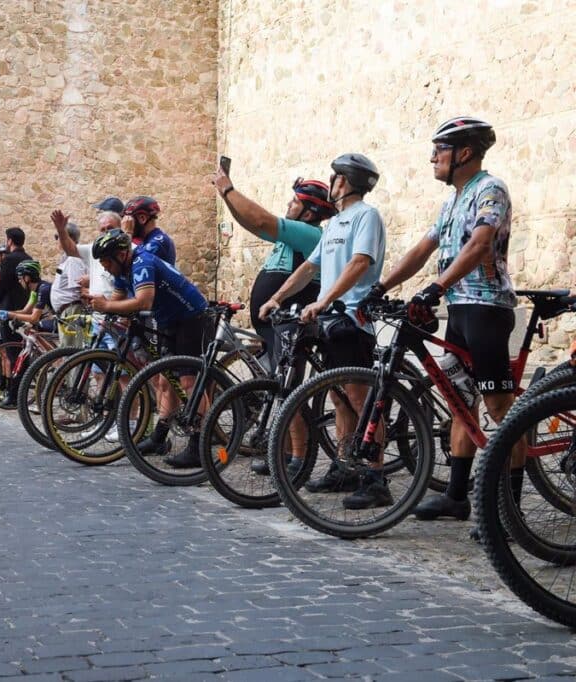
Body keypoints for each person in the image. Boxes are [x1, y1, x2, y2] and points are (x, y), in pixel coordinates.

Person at [362, 117, 518, 524]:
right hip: (459, 310)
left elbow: (481, 243)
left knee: (501, 406)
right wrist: (382, 285)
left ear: (464, 153)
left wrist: (434, 287)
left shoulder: (490, 189)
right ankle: (456, 497)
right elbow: (422, 248)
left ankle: (512, 510)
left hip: (486, 307)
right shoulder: (451, 200)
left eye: (440, 149)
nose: (433, 157)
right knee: (458, 400)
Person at [258, 152, 387, 509]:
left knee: (359, 399)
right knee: (339, 398)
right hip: (330, 319)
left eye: (334, 179)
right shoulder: (334, 225)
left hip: (351, 318)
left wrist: (324, 300)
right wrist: (277, 297)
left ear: (343, 182)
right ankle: (346, 466)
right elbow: (309, 268)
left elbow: (360, 263)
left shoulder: (366, 216)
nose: (331, 184)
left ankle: (376, 477)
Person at [89, 228, 213, 468]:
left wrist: (107, 306)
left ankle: (200, 446)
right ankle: (159, 438)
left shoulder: (141, 263)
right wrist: (106, 310)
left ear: (121, 254)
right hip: (169, 320)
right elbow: (117, 295)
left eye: (105, 260)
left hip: (192, 318)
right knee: (166, 381)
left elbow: (144, 301)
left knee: (188, 382)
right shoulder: (121, 267)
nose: (103, 265)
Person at [213, 170, 337, 357]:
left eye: (295, 201)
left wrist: (229, 190)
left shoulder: (310, 233)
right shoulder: (292, 234)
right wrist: (226, 198)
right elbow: (252, 225)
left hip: (287, 319)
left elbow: (261, 220)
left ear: (308, 215)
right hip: (272, 321)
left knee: (284, 379)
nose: (289, 203)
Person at [0, 227, 31, 407]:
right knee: (22, 352)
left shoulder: (9, 260)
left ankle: (13, 395)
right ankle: (19, 392)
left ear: (9, 241)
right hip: (25, 307)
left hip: (9, 308)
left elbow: (1, 286)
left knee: (11, 353)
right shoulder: (28, 258)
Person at [0, 259, 54, 331]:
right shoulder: (34, 291)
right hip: (59, 319)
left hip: (66, 322)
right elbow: (26, 311)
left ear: (27, 278)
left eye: (20, 278)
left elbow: (34, 318)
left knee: (38, 326)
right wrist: (5, 312)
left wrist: (9, 315)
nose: (19, 281)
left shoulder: (43, 289)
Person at [121, 196, 176, 265]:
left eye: (128, 221)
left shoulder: (159, 241)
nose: (125, 225)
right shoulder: (147, 240)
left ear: (142, 218)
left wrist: (127, 233)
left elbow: (124, 262)